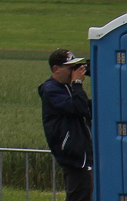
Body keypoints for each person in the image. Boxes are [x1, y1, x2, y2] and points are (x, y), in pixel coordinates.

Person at [39, 47, 93, 201]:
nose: (73, 72)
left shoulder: (65, 88)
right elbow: (79, 108)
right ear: (56, 69)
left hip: (81, 154)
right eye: (70, 68)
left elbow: (87, 107)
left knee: (85, 194)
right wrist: (77, 83)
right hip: (73, 156)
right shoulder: (51, 90)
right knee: (79, 196)